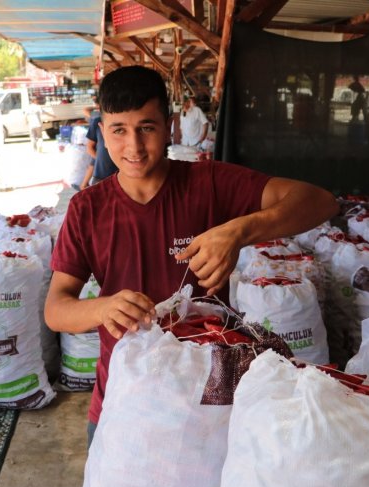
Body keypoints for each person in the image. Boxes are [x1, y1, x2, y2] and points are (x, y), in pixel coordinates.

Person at [44, 66, 338, 446]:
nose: (133, 147)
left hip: (208, 406)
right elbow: (55, 309)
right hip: (122, 402)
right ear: (102, 134)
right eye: (119, 130)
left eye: (146, 127)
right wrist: (103, 308)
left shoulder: (210, 183)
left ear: (169, 127)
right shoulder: (87, 209)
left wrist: (238, 231)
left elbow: (320, 201)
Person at [84, 101, 118, 186]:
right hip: (102, 176)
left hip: (120, 176)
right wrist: (101, 159)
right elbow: (90, 148)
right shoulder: (97, 120)